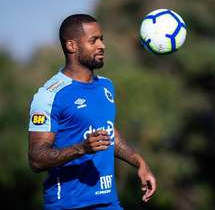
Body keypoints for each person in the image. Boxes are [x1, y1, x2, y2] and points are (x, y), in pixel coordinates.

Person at [28, 14, 156, 210]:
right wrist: (82, 148)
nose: (102, 46)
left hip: (109, 203)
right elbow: (36, 159)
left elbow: (109, 134)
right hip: (69, 205)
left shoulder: (106, 86)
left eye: (102, 39)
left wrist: (139, 162)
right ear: (72, 46)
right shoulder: (50, 96)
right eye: (93, 40)